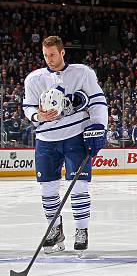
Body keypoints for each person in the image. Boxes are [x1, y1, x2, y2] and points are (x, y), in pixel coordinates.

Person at [22, 36, 107, 255]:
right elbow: (28, 107)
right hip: (45, 140)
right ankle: (55, 229)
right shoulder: (34, 79)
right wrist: (37, 115)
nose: (49, 59)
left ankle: (81, 230)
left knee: (79, 186)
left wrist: (99, 128)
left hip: (74, 137)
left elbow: (98, 101)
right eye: (45, 55)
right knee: (48, 189)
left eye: (52, 55)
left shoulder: (82, 73)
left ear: (62, 53)